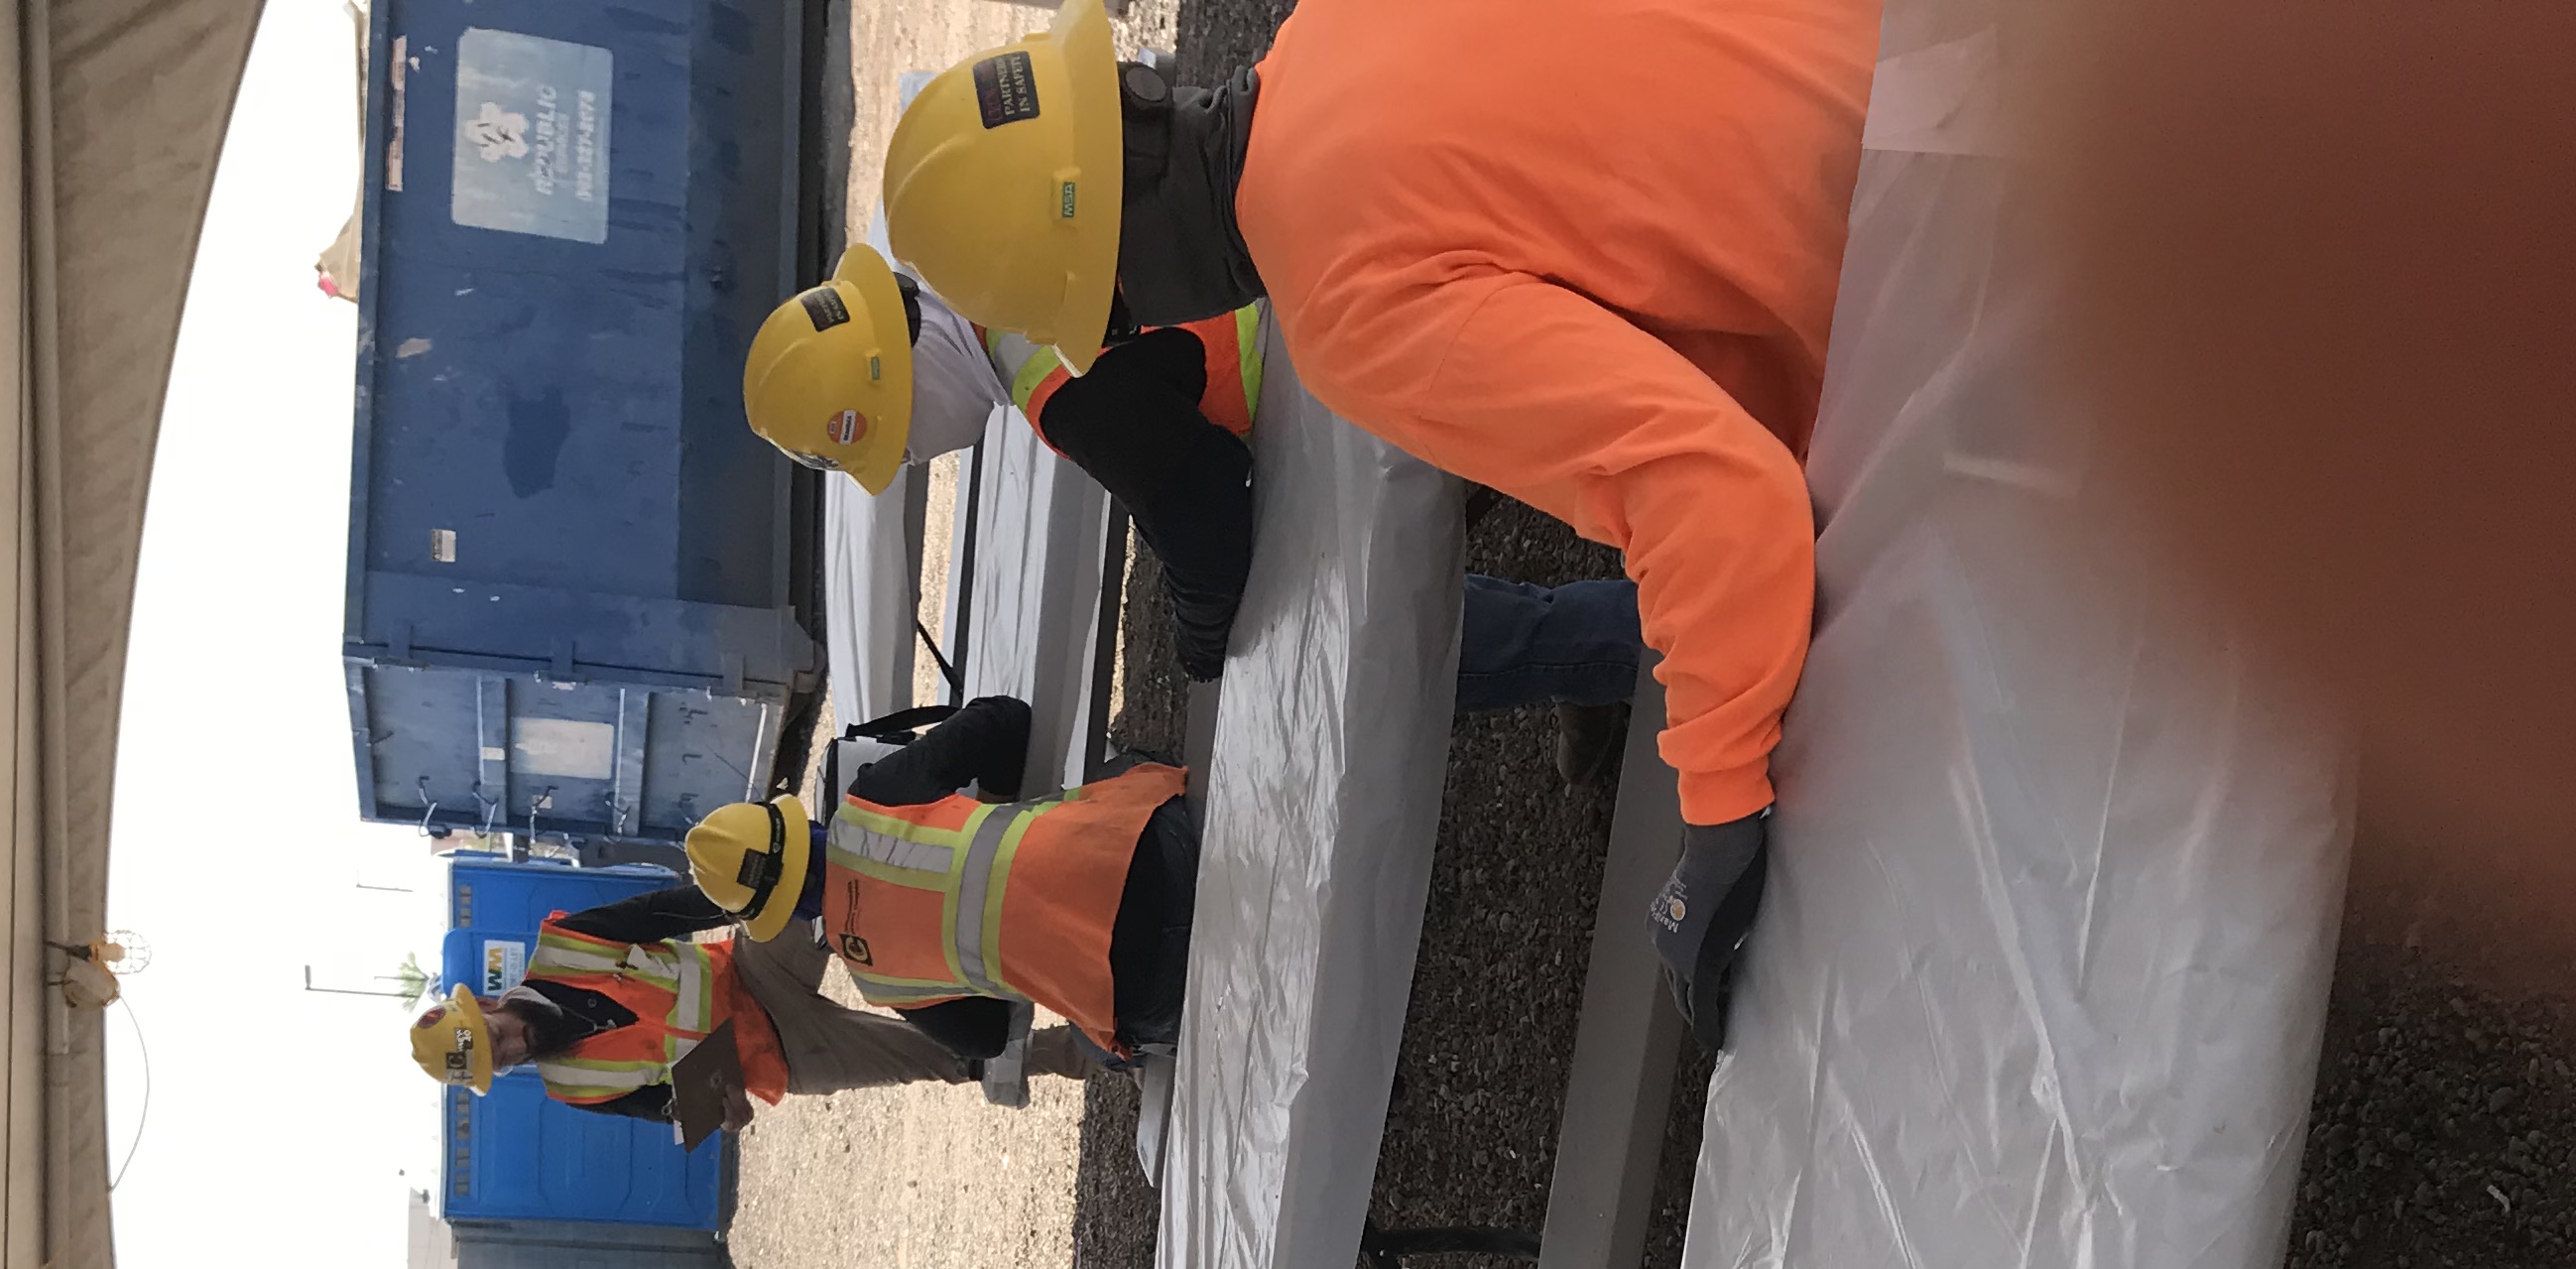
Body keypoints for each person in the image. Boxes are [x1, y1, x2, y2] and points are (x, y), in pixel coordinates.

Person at [878, 0, 1877, 1045]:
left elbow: (1712, 495)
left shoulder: (1345, 311)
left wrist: (1719, 823)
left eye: (1114, 322)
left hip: (1917, 272)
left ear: (1122, 291)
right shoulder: (1334, 22)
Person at [743, 241, 1646, 777]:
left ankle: (1654, 645)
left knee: (1379, 640)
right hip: (1327, 275)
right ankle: (1586, 642)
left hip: (1329, 373)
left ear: (905, 381)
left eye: (899, 441)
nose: (918, 456)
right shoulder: (993, 258)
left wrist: (1202, 641)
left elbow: (1206, 523)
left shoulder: (1061, 386)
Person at [683, 694, 1192, 1061]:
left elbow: (986, 1039)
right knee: (1129, 775)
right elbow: (1004, 718)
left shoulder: (877, 978)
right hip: (1157, 848)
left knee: (1096, 1043)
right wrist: (995, 813)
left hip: (1148, 987)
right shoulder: (875, 797)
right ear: (801, 824)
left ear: (788, 914)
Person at [401, 880, 1090, 1125]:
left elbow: (671, 911)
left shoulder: (570, 944)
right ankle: (1075, 1051)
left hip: (753, 971)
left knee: (835, 883)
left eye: (497, 1036)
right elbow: (672, 1110)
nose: (514, 1047)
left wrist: (759, 884)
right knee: (940, 1061)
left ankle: (1000, 904)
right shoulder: (572, 1088)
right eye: (502, 1059)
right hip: (777, 1056)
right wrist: (721, 1115)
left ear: (489, 1002)